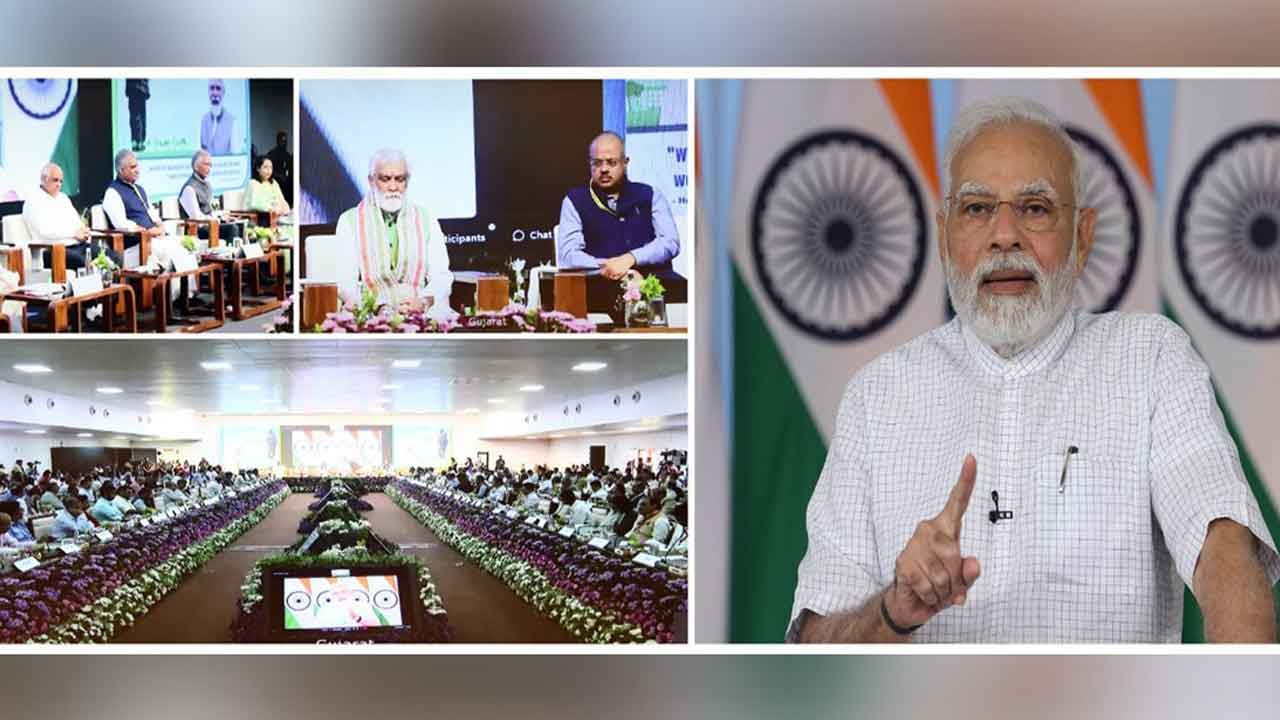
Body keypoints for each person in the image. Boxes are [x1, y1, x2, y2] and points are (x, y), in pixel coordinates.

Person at [789, 96, 1280, 644]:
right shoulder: (877, 395)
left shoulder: (1151, 358)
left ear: (1084, 235)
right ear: (945, 234)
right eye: (977, 209)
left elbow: (1224, 545)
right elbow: (815, 650)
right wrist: (894, 610)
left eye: (1035, 208)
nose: (1005, 236)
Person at [334, 148, 455, 317]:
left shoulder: (426, 218)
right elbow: (345, 282)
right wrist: (376, 307)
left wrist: (423, 301)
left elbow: (441, 276)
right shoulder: (349, 221)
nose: (393, 187)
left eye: (399, 179)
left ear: (407, 181)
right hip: (370, 311)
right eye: (385, 179)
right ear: (371, 181)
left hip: (420, 309)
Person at [557, 131, 680, 280]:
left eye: (611, 162)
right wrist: (610, 266)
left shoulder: (650, 194)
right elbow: (568, 256)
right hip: (599, 283)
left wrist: (631, 259)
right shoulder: (574, 201)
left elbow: (670, 242)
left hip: (653, 282)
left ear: (625, 162)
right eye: (597, 163)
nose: (604, 169)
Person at [22, 163, 123, 271]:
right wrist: (73, 233)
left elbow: (77, 223)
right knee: (84, 263)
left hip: (77, 245)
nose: (59, 184)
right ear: (44, 179)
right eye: (55, 180)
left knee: (114, 257)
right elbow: (44, 231)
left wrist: (83, 231)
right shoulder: (33, 200)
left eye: (61, 181)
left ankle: (109, 285)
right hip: (54, 250)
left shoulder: (63, 198)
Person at [102, 149, 165, 264]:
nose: (137, 170)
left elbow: (151, 212)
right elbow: (120, 224)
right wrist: (148, 231)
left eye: (137, 166)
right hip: (135, 244)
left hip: (153, 239)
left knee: (180, 247)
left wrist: (160, 227)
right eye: (132, 167)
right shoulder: (112, 193)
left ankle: (179, 282)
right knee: (170, 251)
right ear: (121, 171)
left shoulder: (139, 189)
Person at [199, 78, 240, 156]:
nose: (215, 92)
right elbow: (198, 153)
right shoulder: (202, 120)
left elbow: (235, 153)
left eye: (218, 88)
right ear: (208, 91)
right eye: (212, 88)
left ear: (223, 92)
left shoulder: (232, 120)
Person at [265, 131, 293, 206]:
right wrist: (279, 176)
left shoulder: (287, 156)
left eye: (285, 141)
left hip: (287, 188)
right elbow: (267, 172)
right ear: (278, 141)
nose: (284, 143)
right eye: (282, 141)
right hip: (275, 185)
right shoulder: (271, 154)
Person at [125, 79, 149, 152]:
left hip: (135, 89)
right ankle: (139, 142)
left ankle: (137, 142)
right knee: (139, 118)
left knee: (135, 118)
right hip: (139, 89)